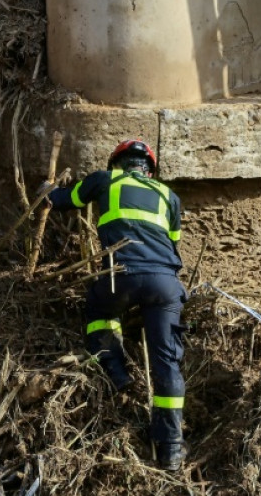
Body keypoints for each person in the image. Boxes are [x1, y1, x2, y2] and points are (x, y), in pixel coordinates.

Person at [42, 139, 187, 471]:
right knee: (167, 363)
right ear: (150, 170)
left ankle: (117, 373)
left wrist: (46, 190)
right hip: (165, 285)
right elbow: (174, 245)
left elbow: (62, 199)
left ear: (117, 164)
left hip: (120, 278)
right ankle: (171, 448)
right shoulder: (169, 196)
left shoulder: (104, 180)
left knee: (99, 311)